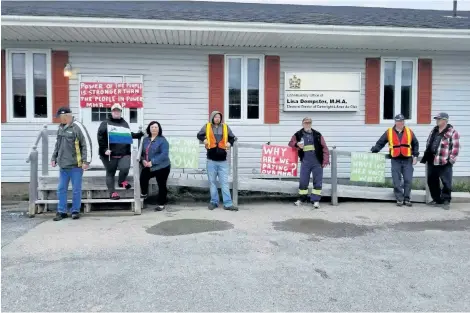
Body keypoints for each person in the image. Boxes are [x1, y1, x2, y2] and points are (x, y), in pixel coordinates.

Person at [50, 107, 92, 221]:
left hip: (76, 166)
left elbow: (86, 144)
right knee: (61, 189)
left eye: (60, 117)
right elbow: (57, 145)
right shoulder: (60, 128)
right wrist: (54, 157)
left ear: (66, 116)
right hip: (63, 165)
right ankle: (62, 211)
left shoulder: (78, 127)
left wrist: (86, 161)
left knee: (76, 189)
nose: (59, 119)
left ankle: (75, 210)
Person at [97, 103, 144, 200]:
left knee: (125, 168)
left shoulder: (124, 123)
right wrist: (105, 149)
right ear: (111, 112)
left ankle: (121, 181)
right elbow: (100, 137)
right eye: (114, 110)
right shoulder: (105, 123)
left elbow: (126, 134)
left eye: (118, 111)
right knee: (111, 172)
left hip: (124, 153)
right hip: (109, 154)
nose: (116, 112)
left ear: (121, 112)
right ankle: (112, 192)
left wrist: (137, 135)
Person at [371, 114, 419, 207]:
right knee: (396, 180)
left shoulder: (409, 131)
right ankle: (399, 199)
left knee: (408, 180)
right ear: (395, 122)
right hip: (395, 159)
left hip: (407, 159)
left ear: (404, 122)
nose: (400, 123)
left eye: (402, 121)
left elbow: (415, 144)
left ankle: (407, 199)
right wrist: (374, 150)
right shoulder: (389, 132)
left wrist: (415, 156)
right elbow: (380, 143)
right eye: (398, 121)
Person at [197, 110, 237, 211]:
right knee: (212, 182)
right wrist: (204, 139)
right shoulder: (206, 126)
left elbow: (233, 138)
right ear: (212, 118)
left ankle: (228, 204)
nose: (217, 118)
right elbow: (199, 135)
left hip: (223, 161)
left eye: (219, 117)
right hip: (211, 160)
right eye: (215, 117)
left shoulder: (225, 127)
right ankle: (214, 202)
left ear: (221, 118)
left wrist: (230, 143)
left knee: (224, 183)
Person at [421, 112, 460, 210]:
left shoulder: (452, 132)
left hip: (444, 161)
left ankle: (446, 200)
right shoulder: (434, 130)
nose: (437, 120)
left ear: (445, 120)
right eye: (436, 119)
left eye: (439, 119)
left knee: (446, 182)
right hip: (432, 160)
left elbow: (455, 147)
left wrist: (451, 160)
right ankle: (437, 199)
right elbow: (429, 142)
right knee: (432, 181)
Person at [288, 117, 330, 209]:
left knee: (317, 182)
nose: (307, 124)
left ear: (311, 124)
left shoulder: (318, 135)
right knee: (303, 181)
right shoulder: (298, 134)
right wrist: (296, 144)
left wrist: (325, 160)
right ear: (302, 124)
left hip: (317, 162)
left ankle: (315, 200)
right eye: (305, 123)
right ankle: (302, 199)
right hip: (305, 162)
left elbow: (325, 148)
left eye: (309, 123)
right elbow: (290, 143)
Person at [140, 121, 171, 211]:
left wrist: (152, 162)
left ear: (159, 129)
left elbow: (164, 154)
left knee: (161, 184)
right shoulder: (145, 140)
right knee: (143, 177)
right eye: (152, 127)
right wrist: (143, 160)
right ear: (149, 129)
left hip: (162, 166)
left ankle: (161, 203)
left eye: (156, 127)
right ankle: (144, 193)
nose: (154, 129)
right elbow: (141, 153)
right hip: (149, 166)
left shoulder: (162, 140)